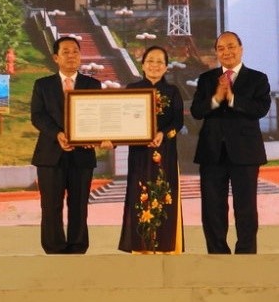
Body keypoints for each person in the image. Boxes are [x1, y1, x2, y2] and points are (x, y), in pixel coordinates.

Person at [190, 31, 271, 254]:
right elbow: (197, 111)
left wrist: (232, 98)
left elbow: (260, 109)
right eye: (221, 48)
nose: (227, 52)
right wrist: (216, 98)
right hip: (212, 153)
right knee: (212, 208)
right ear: (216, 52)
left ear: (241, 48)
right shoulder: (207, 79)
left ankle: (245, 255)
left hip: (245, 153)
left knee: (245, 207)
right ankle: (218, 255)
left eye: (231, 46)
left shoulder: (258, 78)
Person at [30, 36, 112, 254]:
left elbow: (99, 115)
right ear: (56, 57)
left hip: (81, 156)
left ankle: (77, 247)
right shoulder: (43, 85)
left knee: (79, 205)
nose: (71, 55)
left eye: (75, 51)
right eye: (66, 51)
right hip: (50, 155)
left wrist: (96, 136)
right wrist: (58, 134)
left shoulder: (92, 84)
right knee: (51, 206)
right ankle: (54, 248)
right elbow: (37, 116)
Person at [118, 46, 184, 254]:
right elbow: (123, 119)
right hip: (139, 153)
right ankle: (141, 247)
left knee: (165, 195)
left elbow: (178, 122)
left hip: (165, 153)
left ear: (166, 67)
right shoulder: (132, 88)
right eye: (150, 61)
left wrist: (163, 134)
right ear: (143, 64)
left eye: (159, 62)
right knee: (140, 195)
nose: (155, 65)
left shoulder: (173, 92)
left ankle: (166, 247)